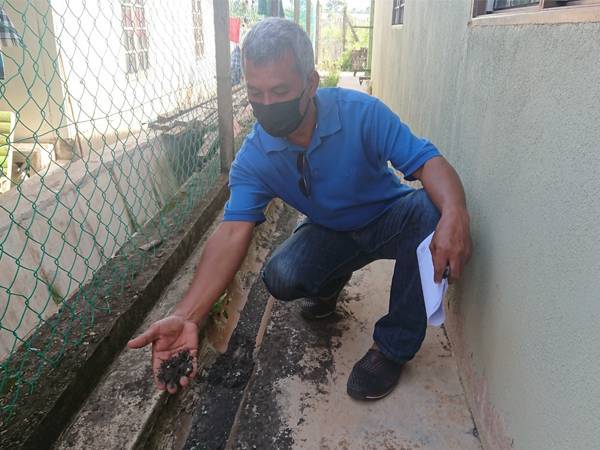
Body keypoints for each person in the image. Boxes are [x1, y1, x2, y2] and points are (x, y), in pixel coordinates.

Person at [128, 18, 472, 401]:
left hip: (388, 219)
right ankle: (326, 291)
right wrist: (187, 313)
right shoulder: (254, 158)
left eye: (280, 90)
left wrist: (455, 211)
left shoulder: (361, 113)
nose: (268, 104)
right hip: (331, 231)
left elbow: (428, 162)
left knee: (430, 210)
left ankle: (391, 349)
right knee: (282, 275)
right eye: (256, 92)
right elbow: (230, 232)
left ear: (310, 83)